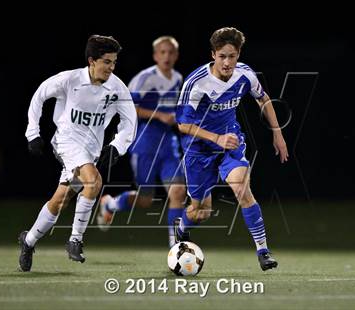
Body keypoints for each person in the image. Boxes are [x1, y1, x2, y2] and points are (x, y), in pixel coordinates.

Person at [18, 35, 137, 272]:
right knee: (94, 182)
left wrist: (117, 146)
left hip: (91, 150)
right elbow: (39, 95)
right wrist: (33, 133)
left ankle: (29, 240)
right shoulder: (69, 79)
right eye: (106, 62)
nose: (111, 68)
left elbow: (130, 120)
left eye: (114, 62)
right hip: (66, 141)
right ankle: (75, 239)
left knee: (61, 199)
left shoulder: (117, 87)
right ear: (92, 61)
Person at [175, 27, 289, 271]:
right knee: (201, 211)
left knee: (241, 187)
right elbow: (183, 124)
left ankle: (263, 251)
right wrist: (215, 138)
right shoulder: (196, 83)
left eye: (232, 56)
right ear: (213, 55)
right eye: (222, 56)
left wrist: (277, 134)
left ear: (238, 55)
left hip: (231, 142)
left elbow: (263, 98)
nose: (227, 62)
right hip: (199, 149)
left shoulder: (245, 75)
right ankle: (182, 227)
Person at [96, 36, 186, 248]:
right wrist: (159, 115)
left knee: (178, 192)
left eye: (171, 52)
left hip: (169, 145)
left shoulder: (179, 78)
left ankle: (176, 247)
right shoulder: (144, 78)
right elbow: (127, 108)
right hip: (145, 143)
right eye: (162, 52)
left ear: (176, 55)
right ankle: (110, 204)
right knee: (145, 200)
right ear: (155, 56)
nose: (167, 56)